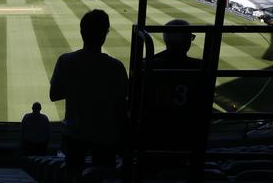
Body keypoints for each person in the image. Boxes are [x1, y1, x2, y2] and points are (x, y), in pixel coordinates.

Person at [50, 9, 127, 169]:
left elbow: (54, 94)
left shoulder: (66, 61)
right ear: (106, 33)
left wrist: (78, 88)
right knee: (103, 181)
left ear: (81, 31)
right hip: (105, 135)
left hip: (74, 134)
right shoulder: (116, 67)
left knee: (73, 178)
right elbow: (122, 104)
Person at [145, 19, 203, 152]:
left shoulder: (148, 65)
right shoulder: (200, 67)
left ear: (165, 39)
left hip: (153, 133)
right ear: (188, 42)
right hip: (185, 137)